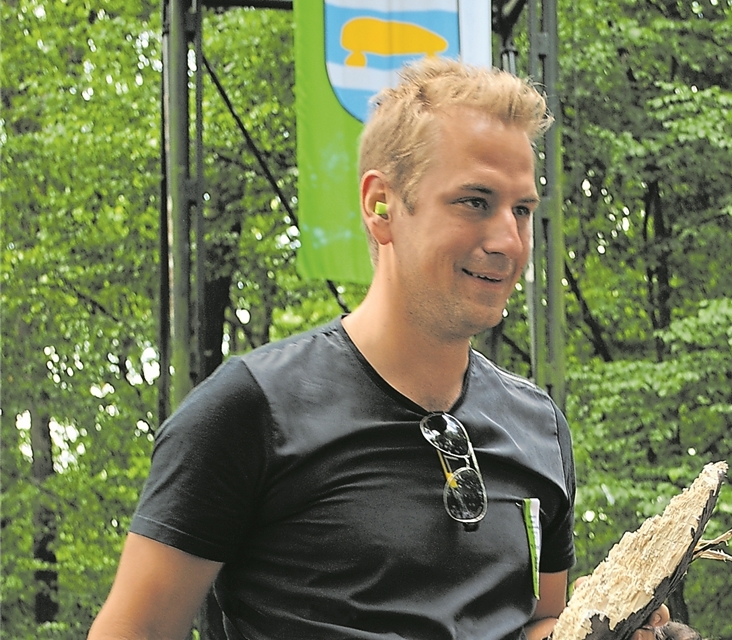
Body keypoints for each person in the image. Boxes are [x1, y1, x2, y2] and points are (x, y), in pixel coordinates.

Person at [88, 58, 668, 640]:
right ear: (381, 205)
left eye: (521, 209)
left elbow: (540, 620)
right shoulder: (250, 410)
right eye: (474, 201)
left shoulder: (539, 427)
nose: (508, 242)